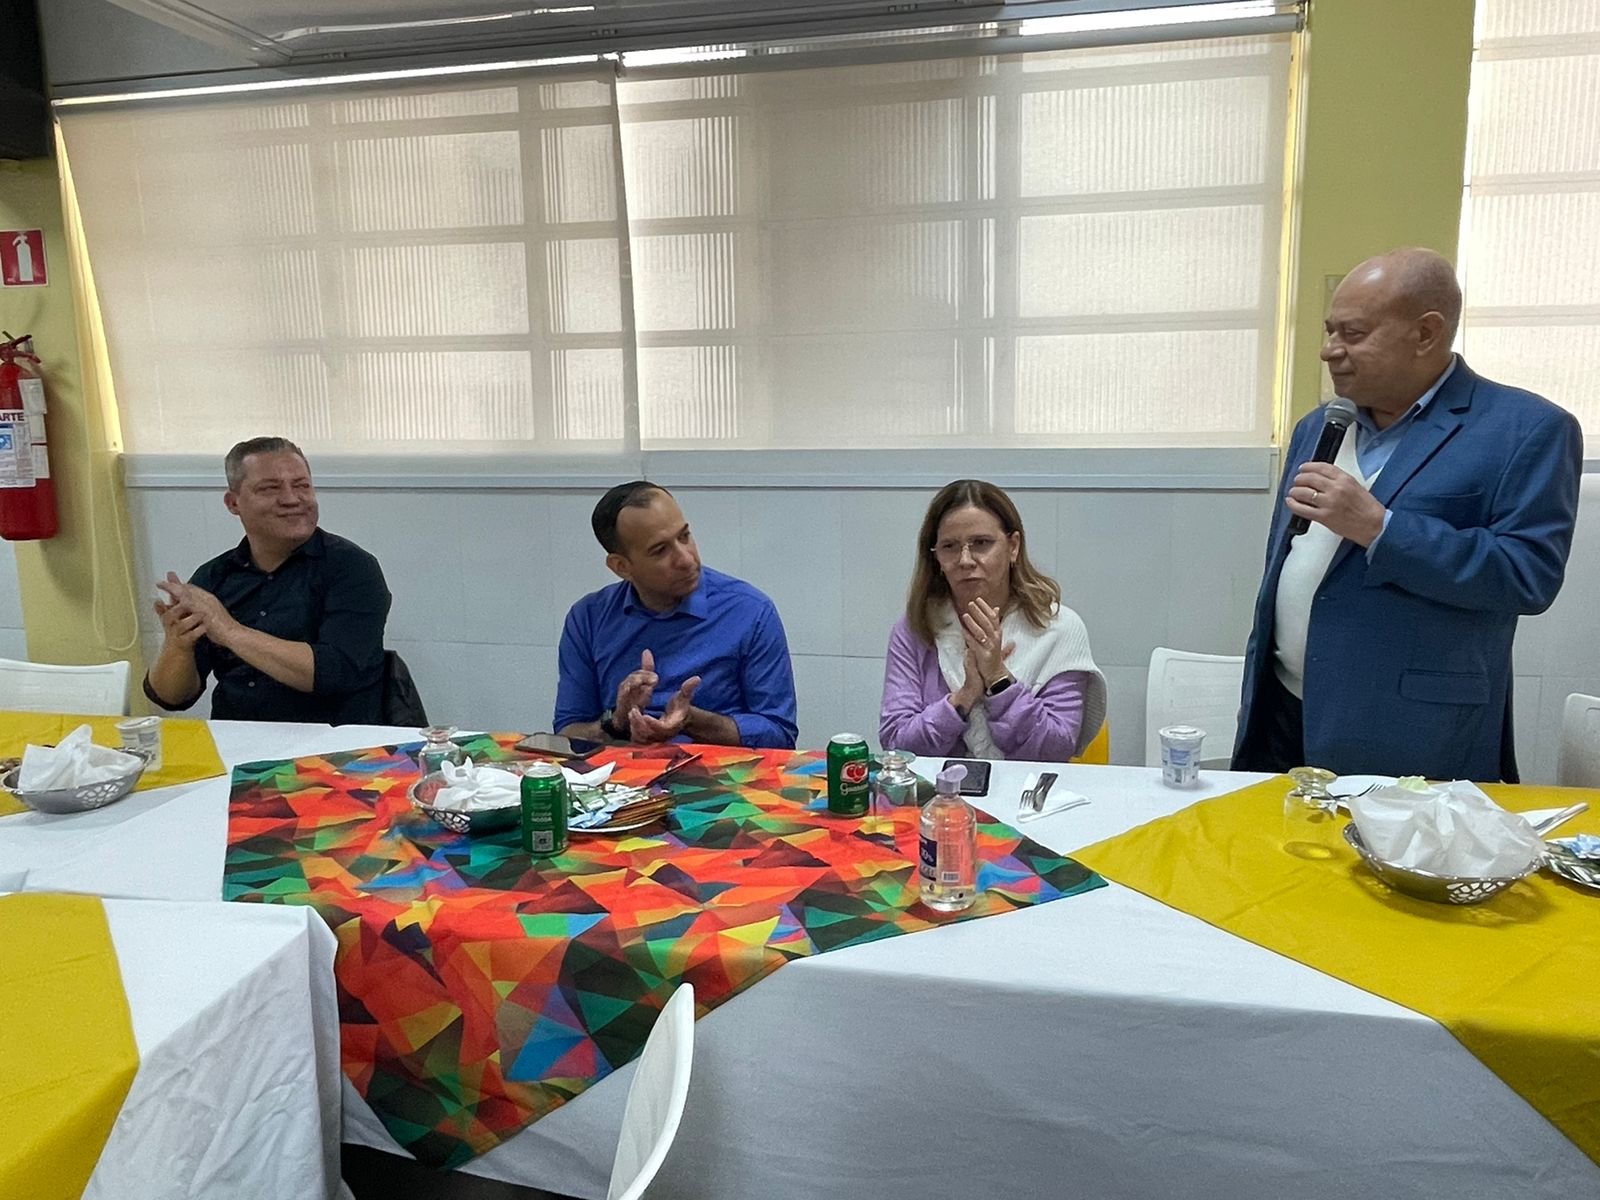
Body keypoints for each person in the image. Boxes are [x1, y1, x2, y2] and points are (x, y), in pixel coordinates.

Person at [1233, 247, 1583, 782]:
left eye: (1353, 334)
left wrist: (1380, 528)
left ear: (1426, 333)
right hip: (1283, 710)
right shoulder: (1318, 426)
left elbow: (1526, 576)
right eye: (1329, 332)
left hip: (1414, 731)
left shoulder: (1527, 429)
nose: (1329, 351)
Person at [143, 436, 392, 724]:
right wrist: (178, 644)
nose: (291, 499)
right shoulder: (214, 577)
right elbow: (171, 698)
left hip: (335, 741)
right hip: (237, 737)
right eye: (270, 488)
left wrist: (230, 631)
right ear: (233, 503)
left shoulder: (352, 568)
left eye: (302, 486)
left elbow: (338, 672)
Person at [555, 481, 798, 749]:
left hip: (721, 772)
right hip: (622, 772)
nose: (686, 559)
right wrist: (618, 722)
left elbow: (780, 735)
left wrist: (691, 720)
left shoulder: (750, 611)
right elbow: (568, 734)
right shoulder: (588, 619)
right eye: (660, 550)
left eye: (684, 536)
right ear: (621, 566)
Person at [880, 479, 1106, 761]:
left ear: (1013, 547)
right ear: (936, 557)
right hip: (938, 788)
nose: (965, 560)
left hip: (1029, 788)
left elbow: (1055, 751)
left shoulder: (1060, 628)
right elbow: (896, 745)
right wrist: (964, 696)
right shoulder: (915, 628)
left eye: (981, 543)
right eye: (950, 546)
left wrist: (998, 679)